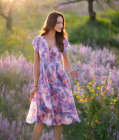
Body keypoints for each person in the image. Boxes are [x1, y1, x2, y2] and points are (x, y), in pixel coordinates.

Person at [26, 11, 81, 140]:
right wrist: (35, 86)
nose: (61, 25)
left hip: (60, 82)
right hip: (44, 84)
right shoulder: (39, 40)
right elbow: (36, 64)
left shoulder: (62, 40)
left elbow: (66, 62)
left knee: (59, 119)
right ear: (51, 22)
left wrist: (70, 75)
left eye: (62, 23)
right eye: (58, 22)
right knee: (40, 118)